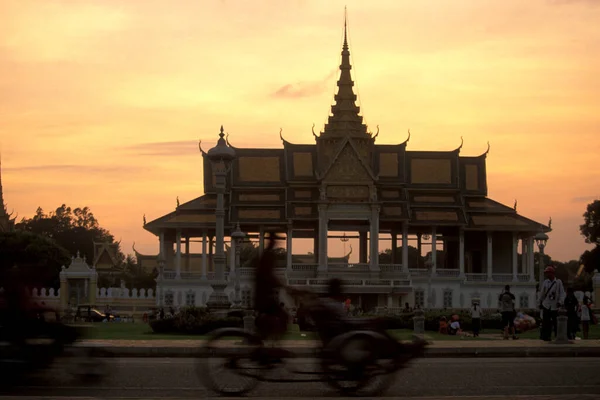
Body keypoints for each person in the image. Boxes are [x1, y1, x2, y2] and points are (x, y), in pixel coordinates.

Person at [538, 266, 566, 341]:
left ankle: (557, 336)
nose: (547, 274)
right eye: (546, 273)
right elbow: (542, 293)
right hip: (546, 304)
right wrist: (540, 302)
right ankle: (546, 337)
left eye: (548, 273)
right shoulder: (545, 282)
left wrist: (560, 302)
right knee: (546, 322)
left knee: (555, 322)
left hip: (555, 305)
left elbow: (562, 293)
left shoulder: (558, 282)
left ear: (552, 273)